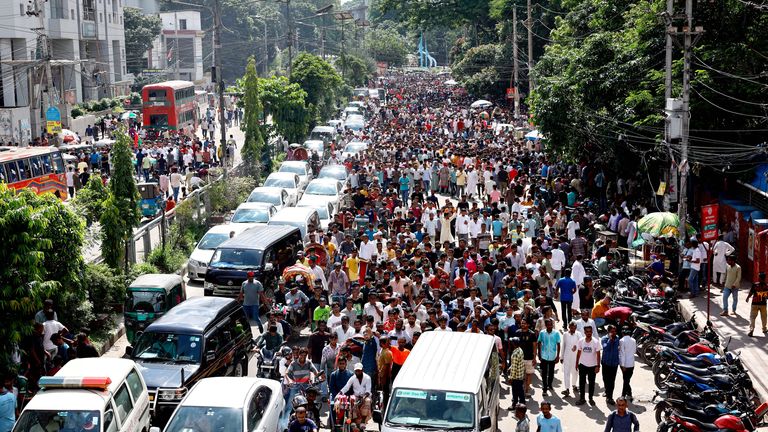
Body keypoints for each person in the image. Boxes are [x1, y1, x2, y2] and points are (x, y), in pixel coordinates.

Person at [576, 326, 601, 405]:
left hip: (592, 366)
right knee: (581, 383)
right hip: (582, 365)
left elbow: (598, 355)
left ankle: (591, 398)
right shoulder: (581, 341)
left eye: (590, 331)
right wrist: (576, 363)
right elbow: (579, 353)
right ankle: (582, 398)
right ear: (584, 332)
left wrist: (598, 366)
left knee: (591, 383)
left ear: (592, 332)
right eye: (587, 331)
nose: (589, 333)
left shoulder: (596, 342)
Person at [537, 318, 561, 397]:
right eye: (548, 324)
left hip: (552, 355)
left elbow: (558, 344)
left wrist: (557, 356)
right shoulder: (542, 333)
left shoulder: (556, 333)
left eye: (551, 324)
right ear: (546, 325)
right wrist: (539, 354)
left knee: (551, 372)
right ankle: (544, 388)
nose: (550, 326)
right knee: (544, 372)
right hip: (544, 355)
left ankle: (550, 384)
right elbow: (539, 342)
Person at [560, 320, 582, 398]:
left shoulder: (578, 334)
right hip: (566, 356)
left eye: (574, 328)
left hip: (575, 357)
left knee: (575, 372)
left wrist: (576, 346)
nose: (572, 329)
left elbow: (581, 344)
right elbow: (563, 345)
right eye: (571, 327)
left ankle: (574, 385)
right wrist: (561, 356)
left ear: (576, 328)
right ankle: (567, 389)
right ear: (569, 327)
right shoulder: (565, 334)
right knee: (566, 372)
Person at [601, 325, 621, 405]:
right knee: (605, 379)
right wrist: (610, 340)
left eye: (615, 331)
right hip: (606, 363)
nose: (614, 333)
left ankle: (609, 397)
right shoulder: (604, 339)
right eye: (612, 331)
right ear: (608, 332)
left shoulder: (617, 339)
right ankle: (606, 390)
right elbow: (605, 348)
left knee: (612, 381)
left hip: (614, 363)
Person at [746, 272, 768, 337]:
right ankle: (764, 329)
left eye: (758, 277)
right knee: (764, 317)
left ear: (760, 278)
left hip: (754, 303)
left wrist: (747, 298)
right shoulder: (766, 286)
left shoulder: (755, 285)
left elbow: (751, 292)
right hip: (763, 304)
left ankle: (751, 329)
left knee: (752, 317)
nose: (758, 278)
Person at [618, 328, 637, 401]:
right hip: (631, 363)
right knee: (627, 379)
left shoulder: (622, 340)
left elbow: (622, 354)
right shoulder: (634, 340)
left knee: (626, 380)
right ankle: (629, 393)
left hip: (625, 364)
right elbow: (634, 351)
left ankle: (623, 395)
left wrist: (622, 365)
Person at [507, 337, 526, 407]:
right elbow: (516, 364)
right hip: (520, 375)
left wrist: (510, 378)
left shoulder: (515, 354)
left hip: (516, 377)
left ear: (514, 344)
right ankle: (522, 404)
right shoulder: (520, 350)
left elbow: (514, 368)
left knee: (515, 392)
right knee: (520, 391)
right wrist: (510, 367)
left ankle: (514, 405)